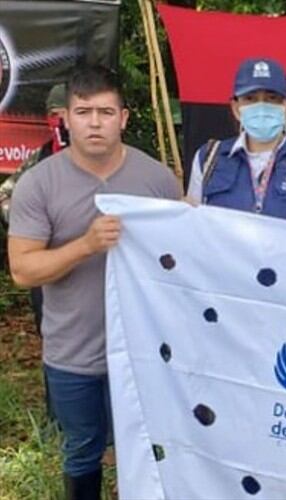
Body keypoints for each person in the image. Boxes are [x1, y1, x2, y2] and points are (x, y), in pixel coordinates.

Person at [7, 65, 181, 500]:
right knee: (82, 452)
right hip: (73, 354)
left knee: (143, 451)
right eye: (84, 112)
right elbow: (23, 270)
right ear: (66, 117)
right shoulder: (38, 184)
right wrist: (84, 245)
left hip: (145, 351)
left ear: (123, 118)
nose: (95, 122)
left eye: (106, 111)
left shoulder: (157, 179)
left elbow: (181, 262)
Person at [186, 57, 286, 229]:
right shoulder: (209, 158)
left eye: (272, 98)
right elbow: (195, 230)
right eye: (250, 98)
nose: (261, 107)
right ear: (236, 108)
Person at [1, 83, 69, 337]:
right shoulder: (41, 157)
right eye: (53, 115)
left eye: (63, 114)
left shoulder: (105, 156)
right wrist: (29, 225)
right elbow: (5, 196)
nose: (59, 122)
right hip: (44, 261)